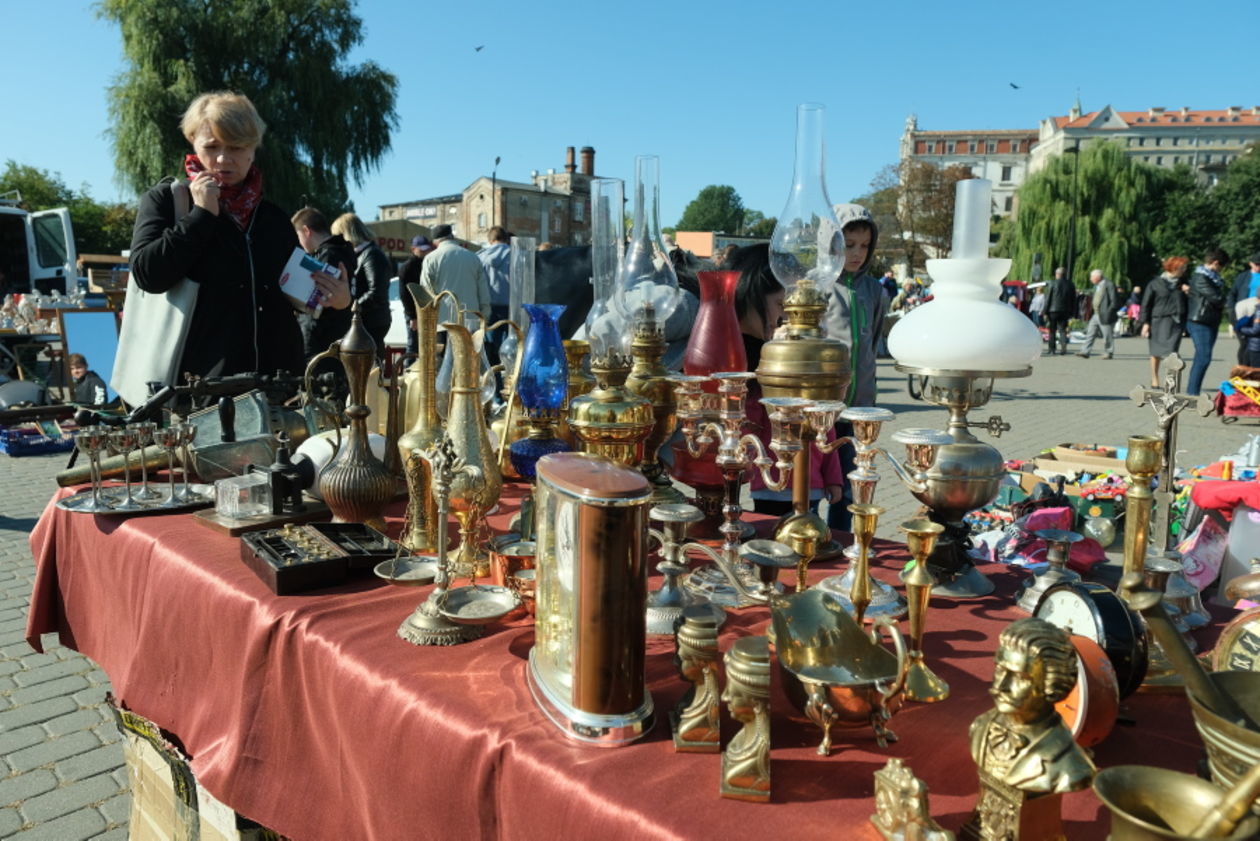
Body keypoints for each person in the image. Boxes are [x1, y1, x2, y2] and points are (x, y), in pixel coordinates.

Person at [125, 91, 349, 392]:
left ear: (253, 150)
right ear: (193, 143)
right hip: (201, 392)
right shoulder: (168, 201)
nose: (223, 158)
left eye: (236, 147)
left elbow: (298, 301)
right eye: (212, 146)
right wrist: (201, 216)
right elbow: (147, 275)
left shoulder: (271, 218)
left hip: (278, 389)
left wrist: (338, 303)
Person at [731, 243, 842, 516]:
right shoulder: (731, 349)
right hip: (767, 482)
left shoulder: (762, 346)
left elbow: (826, 430)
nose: (785, 320)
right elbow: (748, 419)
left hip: (805, 480)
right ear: (751, 291)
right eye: (781, 305)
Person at [824, 204, 887, 531]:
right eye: (849, 245)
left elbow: (872, 342)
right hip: (821, 407)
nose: (857, 253)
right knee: (813, 483)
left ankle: (840, 542)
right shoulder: (819, 287)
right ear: (830, 243)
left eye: (864, 246)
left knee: (849, 487)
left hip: (858, 408)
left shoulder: (875, 291)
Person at [291, 207, 356, 361]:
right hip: (339, 332)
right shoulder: (342, 251)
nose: (298, 242)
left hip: (324, 339)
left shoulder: (328, 256)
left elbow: (317, 302)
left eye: (297, 235)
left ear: (306, 231)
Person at [330, 212, 393, 356]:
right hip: (367, 319)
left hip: (372, 321)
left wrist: (350, 306)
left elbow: (376, 292)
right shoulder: (364, 253)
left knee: (368, 367)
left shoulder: (372, 254)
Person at [420, 224, 489, 328]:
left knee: (443, 345)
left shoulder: (430, 258)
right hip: (470, 321)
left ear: (435, 241)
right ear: (452, 236)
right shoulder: (473, 257)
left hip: (442, 321)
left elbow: (426, 292)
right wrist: (484, 317)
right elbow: (483, 292)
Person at [1186, 247, 1230, 396]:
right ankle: (1192, 393)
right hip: (1199, 321)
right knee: (1204, 357)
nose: (1222, 270)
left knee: (1202, 357)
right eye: (1222, 266)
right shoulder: (1200, 278)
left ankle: (1192, 392)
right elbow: (1216, 298)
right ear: (1215, 263)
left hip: (1210, 321)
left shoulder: (1212, 278)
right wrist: (1230, 303)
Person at [1139, 257, 1189, 387]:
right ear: (1174, 268)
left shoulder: (1183, 283)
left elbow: (1191, 302)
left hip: (1176, 322)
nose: (1184, 270)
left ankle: (1170, 380)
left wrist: (1189, 292)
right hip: (1158, 321)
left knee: (1172, 352)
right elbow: (1146, 304)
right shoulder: (1155, 283)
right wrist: (1145, 323)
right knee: (1156, 352)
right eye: (1182, 268)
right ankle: (1155, 378)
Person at [478, 226, 512, 365]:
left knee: (491, 348)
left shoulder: (480, 256)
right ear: (505, 239)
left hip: (489, 307)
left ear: (490, 240)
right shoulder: (516, 254)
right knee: (511, 348)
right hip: (512, 307)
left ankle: (493, 379)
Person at [398, 235, 436, 355]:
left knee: (426, 345)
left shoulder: (428, 264)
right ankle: (409, 370)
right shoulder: (408, 267)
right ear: (413, 249)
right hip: (414, 312)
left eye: (427, 249)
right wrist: (412, 316)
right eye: (422, 249)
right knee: (413, 345)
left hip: (428, 310)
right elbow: (404, 294)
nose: (425, 252)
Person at [1076, 269, 1117, 359]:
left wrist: (1108, 312)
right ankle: (1085, 351)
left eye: (1092, 277)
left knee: (1107, 335)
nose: (1090, 279)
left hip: (1105, 314)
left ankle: (1108, 352)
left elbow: (1114, 301)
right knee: (1090, 333)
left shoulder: (1109, 284)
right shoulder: (1097, 286)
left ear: (1097, 277)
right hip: (1096, 314)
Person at [1229, 252, 1260, 363]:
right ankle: (1243, 366)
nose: (1258, 267)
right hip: (1244, 311)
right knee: (1244, 342)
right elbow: (1232, 293)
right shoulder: (1243, 276)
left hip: (1258, 310)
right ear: (1250, 263)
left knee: (1255, 342)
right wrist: (1232, 310)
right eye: (1256, 264)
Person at [1043, 267, 1075, 355]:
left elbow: (1048, 298)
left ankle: (1052, 349)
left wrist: (1044, 311)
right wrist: (1072, 312)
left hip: (1053, 310)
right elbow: (1073, 299)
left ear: (1057, 274)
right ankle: (1063, 348)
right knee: (1062, 329)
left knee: (1052, 330)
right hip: (1065, 310)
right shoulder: (1070, 284)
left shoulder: (1052, 283)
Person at [1235, 298, 1260, 368]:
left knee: (1254, 370)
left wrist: (1242, 330)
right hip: (1254, 344)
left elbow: (1256, 330)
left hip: (1256, 346)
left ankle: (1242, 368)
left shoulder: (1258, 311)